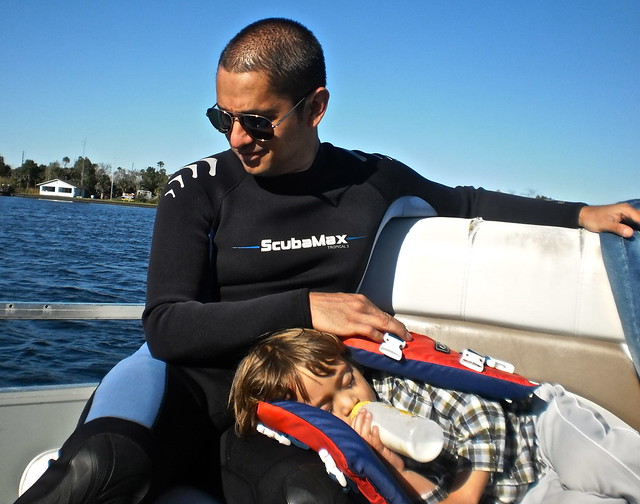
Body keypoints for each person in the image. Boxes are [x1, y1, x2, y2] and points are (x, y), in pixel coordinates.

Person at [15, 17, 640, 504]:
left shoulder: (370, 180)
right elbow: (166, 326)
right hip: (187, 384)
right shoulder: (198, 187)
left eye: (256, 121)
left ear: (315, 107)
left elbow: (466, 199)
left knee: (303, 495)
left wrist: (581, 214)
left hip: (287, 403)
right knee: (97, 474)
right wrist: (306, 308)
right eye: (222, 117)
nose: (236, 138)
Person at [230, 328, 640, 503]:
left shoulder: (397, 389)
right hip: (519, 493)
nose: (349, 401)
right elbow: (431, 496)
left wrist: (468, 490)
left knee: (604, 462)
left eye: (348, 380)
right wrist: (397, 470)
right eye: (326, 407)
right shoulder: (356, 454)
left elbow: (481, 411)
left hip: (534, 426)